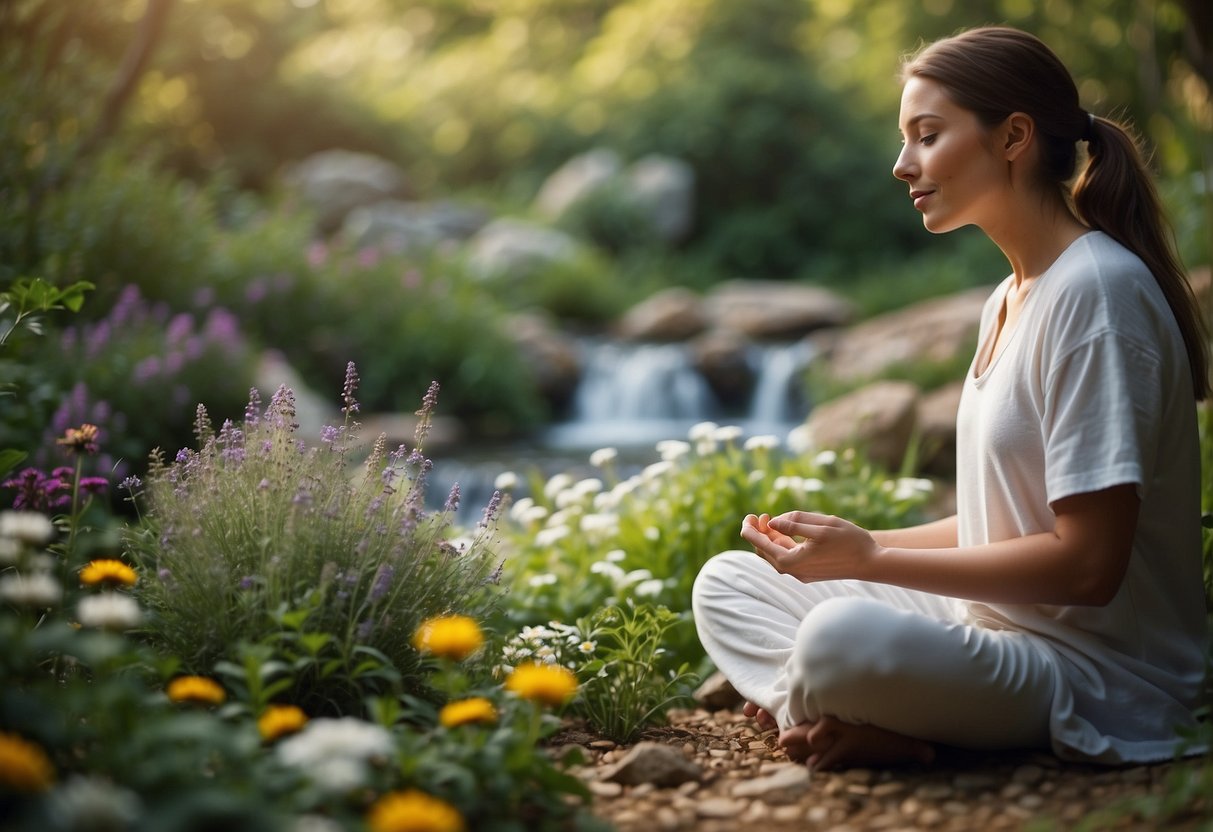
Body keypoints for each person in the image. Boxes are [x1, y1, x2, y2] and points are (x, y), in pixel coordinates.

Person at [692, 25, 1210, 772]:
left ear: (1013, 138)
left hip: (1094, 673)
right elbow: (1004, 519)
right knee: (730, 584)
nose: (902, 165)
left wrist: (870, 561)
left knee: (838, 640)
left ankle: (838, 704)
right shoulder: (1008, 296)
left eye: (926, 136)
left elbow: (1088, 565)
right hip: (992, 628)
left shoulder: (1095, 293)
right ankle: (831, 706)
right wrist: (849, 551)